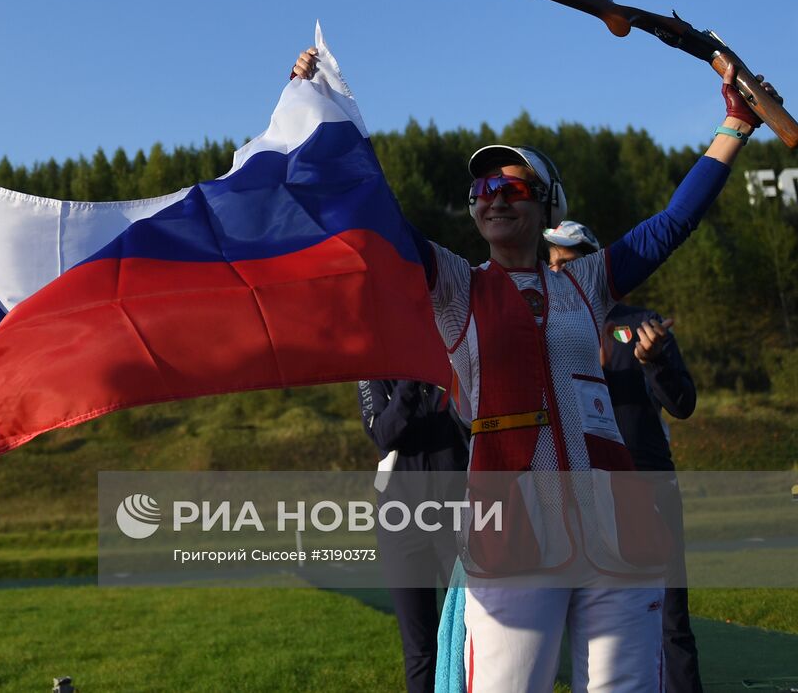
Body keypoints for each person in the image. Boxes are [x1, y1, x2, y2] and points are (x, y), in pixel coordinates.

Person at [292, 44, 780, 692]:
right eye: (482, 188)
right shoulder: (456, 285)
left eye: (512, 185)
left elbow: (672, 224)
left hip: (619, 534)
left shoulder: (588, 281)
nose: (494, 196)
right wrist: (321, 109)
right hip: (514, 539)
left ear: (547, 203)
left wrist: (737, 125)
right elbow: (377, 220)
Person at [545, 220, 703, 693]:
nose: (556, 273)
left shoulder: (640, 325)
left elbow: (683, 403)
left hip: (648, 488)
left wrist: (655, 360)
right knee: (574, 621)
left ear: (594, 266)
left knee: (670, 622)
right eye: (550, 264)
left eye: (567, 264)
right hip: (576, 496)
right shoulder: (546, 334)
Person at [358, 378, 468, 693]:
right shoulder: (373, 376)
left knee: (465, 634)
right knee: (419, 647)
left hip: (455, 522)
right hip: (401, 527)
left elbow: (473, 428)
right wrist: (408, 384)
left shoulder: (449, 372)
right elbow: (383, 433)